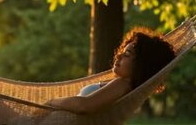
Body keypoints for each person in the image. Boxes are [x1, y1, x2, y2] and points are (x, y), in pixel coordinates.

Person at [45, 26, 175, 114]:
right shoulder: (122, 83)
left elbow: (84, 105)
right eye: (122, 51)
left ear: (141, 65)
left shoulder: (123, 84)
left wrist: (51, 102)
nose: (118, 56)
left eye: (127, 54)